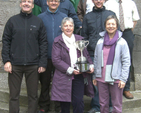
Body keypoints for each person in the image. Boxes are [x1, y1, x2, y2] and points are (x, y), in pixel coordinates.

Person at [1, 0, 48, 113]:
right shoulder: (12, 21)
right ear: (20, 4)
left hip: (33, 65)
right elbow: (6, 41)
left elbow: (43, 43)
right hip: (14, 65)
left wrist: (42, 63)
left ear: (32, 5)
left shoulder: (38, 21)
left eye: (29, 2)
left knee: (33, 96)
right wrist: (6, 60)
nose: (26, 3)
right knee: (14, 96)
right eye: (24, 1)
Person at [51, 17, 94, 113]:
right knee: (65, 103)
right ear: (62, 28)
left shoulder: (79, 39)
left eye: (70, 25)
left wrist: (90, 65)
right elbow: (56, 60)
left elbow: (86, 55)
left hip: (79, 75)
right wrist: (70, 69)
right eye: (65, 26)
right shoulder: (57, 41)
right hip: (64, 76)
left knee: (78, 101)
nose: (68, 28)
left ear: (73, 27)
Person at [81, 0, 116, 113]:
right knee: (95, 80)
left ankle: (110, 105)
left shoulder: (110, 14)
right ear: (92, 1)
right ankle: (96, 106)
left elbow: (117, 32)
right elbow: (84, 36)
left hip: (108, 52)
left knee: (109, 79)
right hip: (92, 52)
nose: (98, 1)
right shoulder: (87, 17)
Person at [93, 15, 130, 113]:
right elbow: (96, 59)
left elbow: (126, 62)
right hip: (101, 77)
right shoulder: (100, 41)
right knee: (103, 104)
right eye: (108, 24)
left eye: (113, 24)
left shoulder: (122, 42)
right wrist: (94, 76)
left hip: (116, 78)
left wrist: (123, 78)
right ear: (105, 26)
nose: (111, 26)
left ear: (117, 25)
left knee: (116, 105)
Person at [104, 0, 140, 99]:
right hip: (112, 32)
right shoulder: (108, 3)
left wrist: (127, 32)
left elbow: (135, 20)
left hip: (127, 33)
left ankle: (126, 88)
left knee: (127, 60)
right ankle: (111, 86)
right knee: (111, 58)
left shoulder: (131, 3)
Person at [37, 0, 67, 113]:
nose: (53, 2)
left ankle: (59, 107)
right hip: (46, 56)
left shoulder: (64, 17)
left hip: (60, 58)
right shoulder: (40, 17)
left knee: (59, 83)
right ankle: (44, 106)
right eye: (51, 0)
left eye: (56, 0)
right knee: (44, 83)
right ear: (47, 2)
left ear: (59, 2)